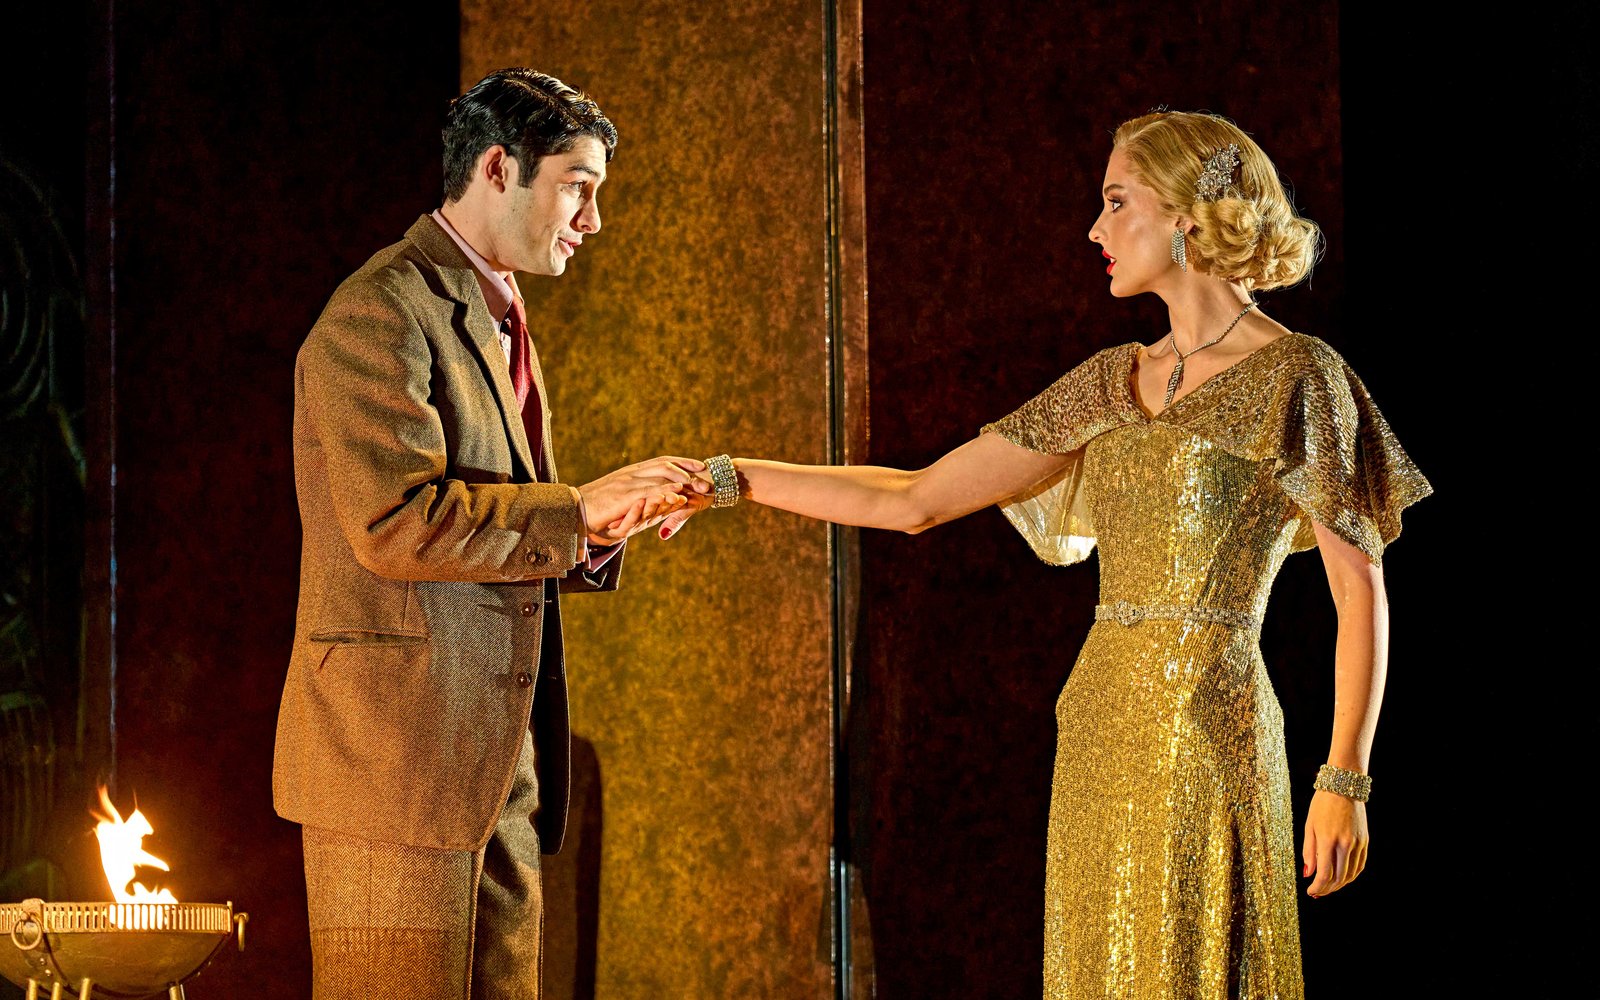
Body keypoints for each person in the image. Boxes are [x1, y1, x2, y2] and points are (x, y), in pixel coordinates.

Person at [666, 112, 1430, 996]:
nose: (1095, 230)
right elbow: (917, 498)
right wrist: (726, 478)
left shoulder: (1301, 376)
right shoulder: (1111, 381)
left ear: (1187, 214)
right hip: (1098, 726)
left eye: (1116, 202)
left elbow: (1359, 589)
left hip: (1210, 730)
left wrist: (1345, 779)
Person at [272, 68, 707, 998]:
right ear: (500, 168)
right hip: (394, 768)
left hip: (496, 764)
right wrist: (575, 508)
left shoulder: (488, 307)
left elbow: (496, 528)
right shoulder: (378, 312)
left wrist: (602, 525)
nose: (591, 221)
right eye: (578, 188)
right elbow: (395, 523)